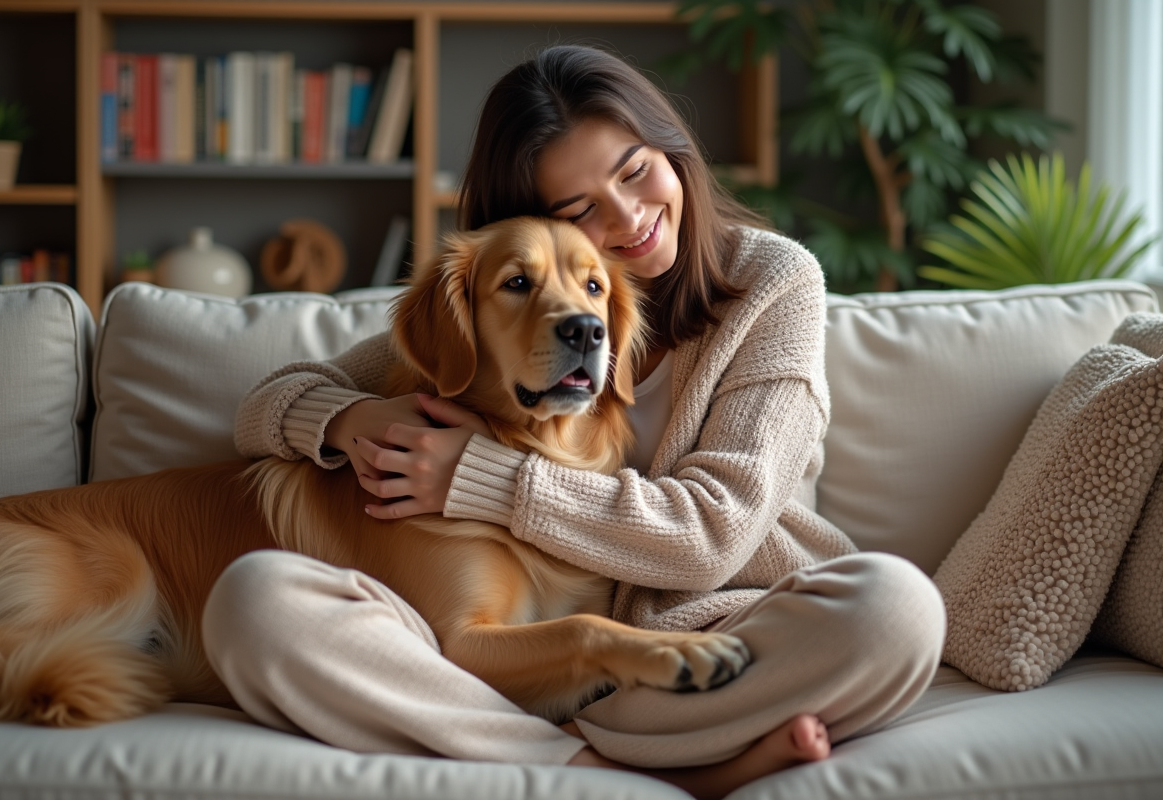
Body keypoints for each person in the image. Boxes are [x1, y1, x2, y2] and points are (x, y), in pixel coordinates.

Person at [204, 45, 946, 799]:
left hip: (708, 635)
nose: (627, 217)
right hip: (527, 658)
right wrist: (354, 420)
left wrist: (480, 478)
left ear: (671, 150)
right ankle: (623, 769)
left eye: (633, 170)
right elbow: (267, 404)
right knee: (256, 602)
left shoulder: (772, 284)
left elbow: (712, 538)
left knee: (897, 611)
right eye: (578, 210)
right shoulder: (501, 310)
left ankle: (523, 745)